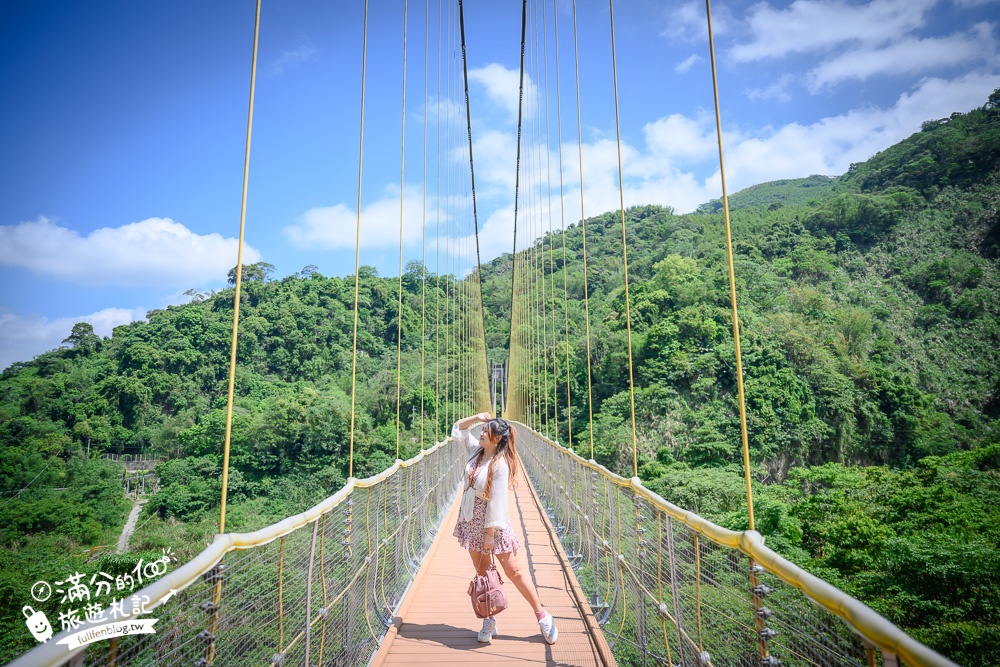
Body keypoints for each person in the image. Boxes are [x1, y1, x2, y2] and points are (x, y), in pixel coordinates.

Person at [452, 412, 558, 645]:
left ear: (497, 438)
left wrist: (490, 534)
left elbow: (498, 501)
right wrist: (476, 418)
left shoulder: (500, 465)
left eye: (485, 431)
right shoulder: (475, 452)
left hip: (493, 526)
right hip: (471, 520)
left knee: (515, 572)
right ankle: (489, 619)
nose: (480, 433)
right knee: (482, 573)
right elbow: (458, 429)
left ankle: (542, 616)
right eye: (481, 430)